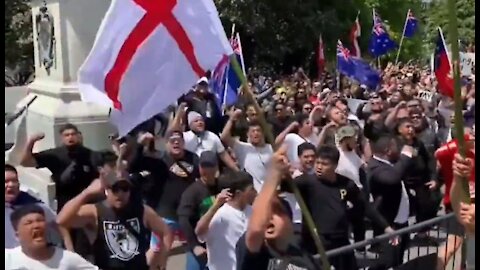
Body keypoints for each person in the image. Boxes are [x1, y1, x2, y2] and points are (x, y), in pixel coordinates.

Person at [283, 145, 394, 270]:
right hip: (317, 242)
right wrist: (282, 172)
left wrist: (386, 227)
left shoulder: (347, 184)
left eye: (325, 164)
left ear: (335, 165)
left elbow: (365, 207)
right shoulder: (306, 182)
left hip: (341, 240)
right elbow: (284, 186)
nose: (319, 167)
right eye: (317, 163)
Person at [56, 151, 171, 270]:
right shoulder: (95, 212)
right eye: (115, 189)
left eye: (124, 188)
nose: (120, 194)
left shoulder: (142, 210)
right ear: (106, 189)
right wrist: (87, 193)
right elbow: (61, 220)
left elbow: (166, 232)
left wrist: (162, 259)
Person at [19, 123, 100, 258]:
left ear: (79, 136)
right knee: (68, 244)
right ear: (62, 138)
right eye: (67, 135)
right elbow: (25, 162)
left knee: (86, 246)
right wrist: (31, 141)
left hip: (86, 205)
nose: (70, 137)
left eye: (73, 134)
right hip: (64, 204)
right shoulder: (55, 154)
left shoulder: (90, 155)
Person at [236, 145, 322, 270]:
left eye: (276, 212)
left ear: (289, 221)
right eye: (265, 214)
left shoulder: (303, 256)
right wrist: (273, 174)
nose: (268, 218)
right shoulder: (257, 252)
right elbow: (256, 230)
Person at [129, 130, 199, 269]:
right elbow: (133, 165)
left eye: (179, 140)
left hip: (187, 214)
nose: (176, 142)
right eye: (172, 140)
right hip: (165, 214)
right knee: (157, 249)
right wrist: (140, 145)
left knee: (193, 248)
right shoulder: (158, 161)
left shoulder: (193, 158)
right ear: (166, 144)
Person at [367, 134, 415, 270]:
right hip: (389, 224)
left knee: (398, 259)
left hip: (402, 221)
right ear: (388, 150)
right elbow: (393, 178)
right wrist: (406, 156)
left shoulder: (391, 164)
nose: (399, 150)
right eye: (396, 147)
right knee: (387, 261)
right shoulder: (375, 168)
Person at [195, 171, 257, 270]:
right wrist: (215, 205)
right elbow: (199, 232)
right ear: (239, 194)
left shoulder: (253, 211)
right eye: (251, 189)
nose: (255, 192)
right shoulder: (220, 215)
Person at [5, 204, 99, 270]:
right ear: (17, 235)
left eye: (40, 220)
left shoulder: (67, 258)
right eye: (29, 223)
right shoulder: (8, 258)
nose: (36, 225)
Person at [177, 151, 224, 270]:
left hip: (219, 243)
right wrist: (194, 246)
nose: (207, 170)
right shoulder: (192, 192)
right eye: (204, 166)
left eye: (210, 166)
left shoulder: (223, 186)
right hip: (199, 246)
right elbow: (184, 220)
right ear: (199, 167)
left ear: (216, 167)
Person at [170, 103, 239, 171]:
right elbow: (173, 131)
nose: (200, 122)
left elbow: (223, 155)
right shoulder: (185, 137)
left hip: (211, 171)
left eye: (201, 120)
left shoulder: (212, 136)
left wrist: (237, 170)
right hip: (191, 172)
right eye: (196, 121)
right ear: (190, 125)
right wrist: (179, 113)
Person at [5, 164, 59, 249]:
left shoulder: (31, 204)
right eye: (6, 181)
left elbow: (58, 223)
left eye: (15, 181)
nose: (11, 185)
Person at [221, 109, 273, 192]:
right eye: (253, 131)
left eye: (258, 131)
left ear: (263, 133)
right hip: (252, 193)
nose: (256, 133)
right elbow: (224, 137)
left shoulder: (271, 148)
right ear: (248, 134)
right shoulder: (242, 147)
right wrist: (232, 119)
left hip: (270, 190)